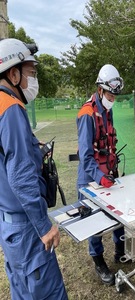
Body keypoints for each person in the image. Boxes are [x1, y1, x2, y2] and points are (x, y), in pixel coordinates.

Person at [0, 38, 68, 299]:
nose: (34, 80)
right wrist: (44, 226)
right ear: (13, 74)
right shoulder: (11, 108)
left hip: (9, 225)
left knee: (23, 290)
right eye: (31, 73)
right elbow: (20, 176)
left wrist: (29, 145)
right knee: (47, 292)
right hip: (27, 227)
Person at [77, 64, 125, 286]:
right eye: (110, 95)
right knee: (94, 223)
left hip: (107, 174)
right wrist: (99, 177)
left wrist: (111, 171)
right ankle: (98, 260)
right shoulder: (87, 114)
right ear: (100, 90)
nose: (112, 99)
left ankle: (120, 250)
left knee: (118, 215)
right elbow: (86, 156)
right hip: (90, 177)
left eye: (115, 96)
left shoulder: (108, 110)